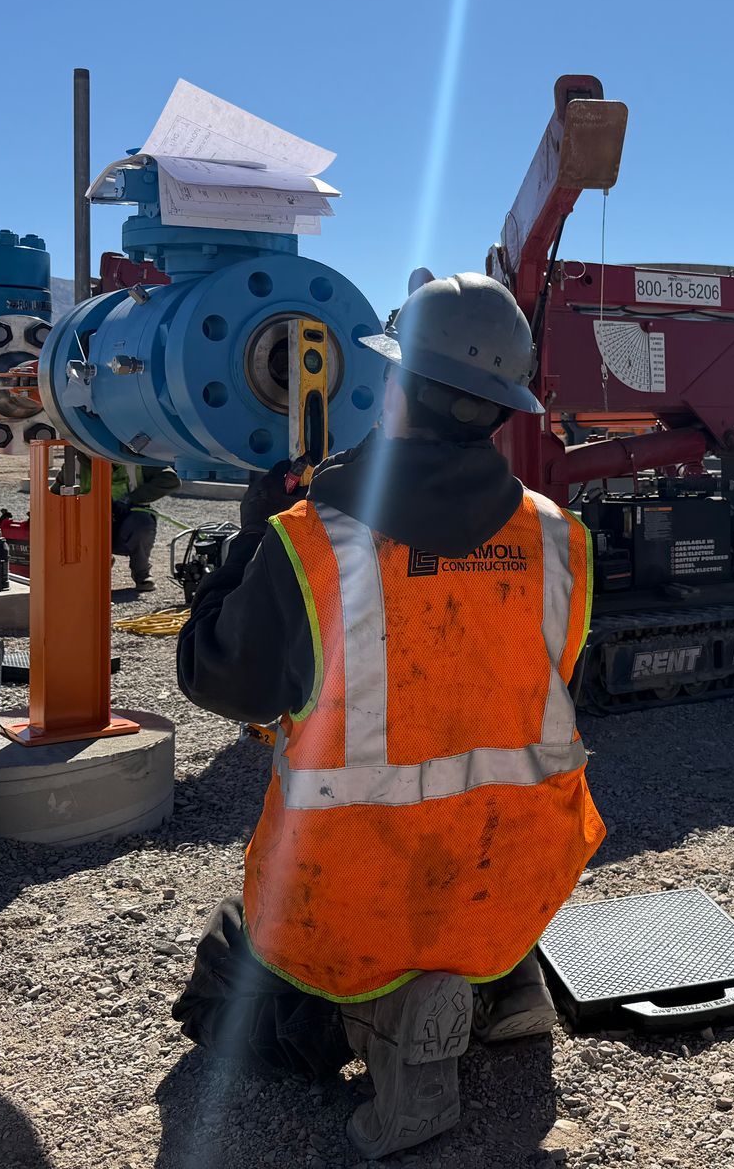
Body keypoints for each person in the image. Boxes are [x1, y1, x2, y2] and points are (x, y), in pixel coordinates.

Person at [172, 272, 605, 1160]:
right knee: (468, 883)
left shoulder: (313, 541)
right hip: (514, 874)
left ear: (398, 387)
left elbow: (222, 682)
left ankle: (405, 1018)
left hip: (357, 887)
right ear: (498, 413)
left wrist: (255, 541)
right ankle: (500, 978)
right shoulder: (560, 539)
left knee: (227, 993)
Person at [108, 462, 179, 590]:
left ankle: (141, 573)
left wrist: (133, 498)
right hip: (92, 519)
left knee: (142, 524)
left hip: (127, 516)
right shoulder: (77, 462)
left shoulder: (134, 461)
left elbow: (171, 479)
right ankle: (96, 567)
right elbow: (59, 490)